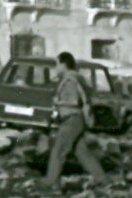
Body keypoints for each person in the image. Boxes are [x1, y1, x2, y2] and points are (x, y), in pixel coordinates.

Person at [45, 51, 106, 187]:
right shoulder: (77, 78)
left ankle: (51, 184)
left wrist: (57, 102)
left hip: (71, 119)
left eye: (57, 64)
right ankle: (101, 178)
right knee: (81, 151)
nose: (56, 67)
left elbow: (73, 100)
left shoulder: (70, 80)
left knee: (58, 151)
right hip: (77, 120)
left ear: (64, 64)